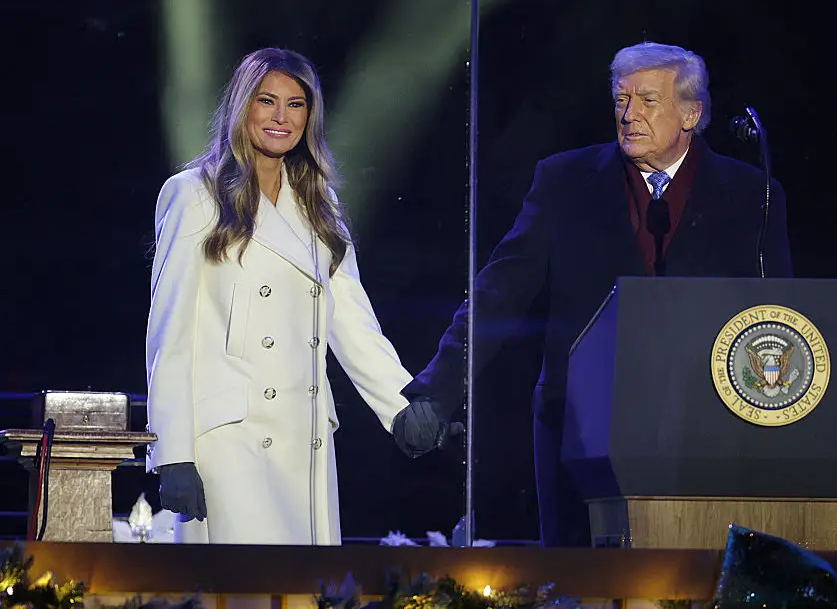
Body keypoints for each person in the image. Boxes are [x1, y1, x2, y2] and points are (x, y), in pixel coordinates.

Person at [393, 41, 794, 547]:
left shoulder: (752, 195)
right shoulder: (564, 182)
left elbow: (779, 319)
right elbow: (499, 291)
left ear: (691, 114)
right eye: (621, 99)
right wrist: (439, 389)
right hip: (581, 429)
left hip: (707, 432)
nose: (628, 115)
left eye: (648, 101)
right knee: (582, 585)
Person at [145, 47, 447, 545]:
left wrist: (402, 407)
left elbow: (351, 319)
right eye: (267, 101)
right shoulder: (194, 193)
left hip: (302, 437)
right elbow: (169, 333)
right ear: (242, 106)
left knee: (302, 590)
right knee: (244, 587)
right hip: (229, 440)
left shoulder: (317, 202)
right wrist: (173, 454)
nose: (281, 117)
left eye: (296, 104)